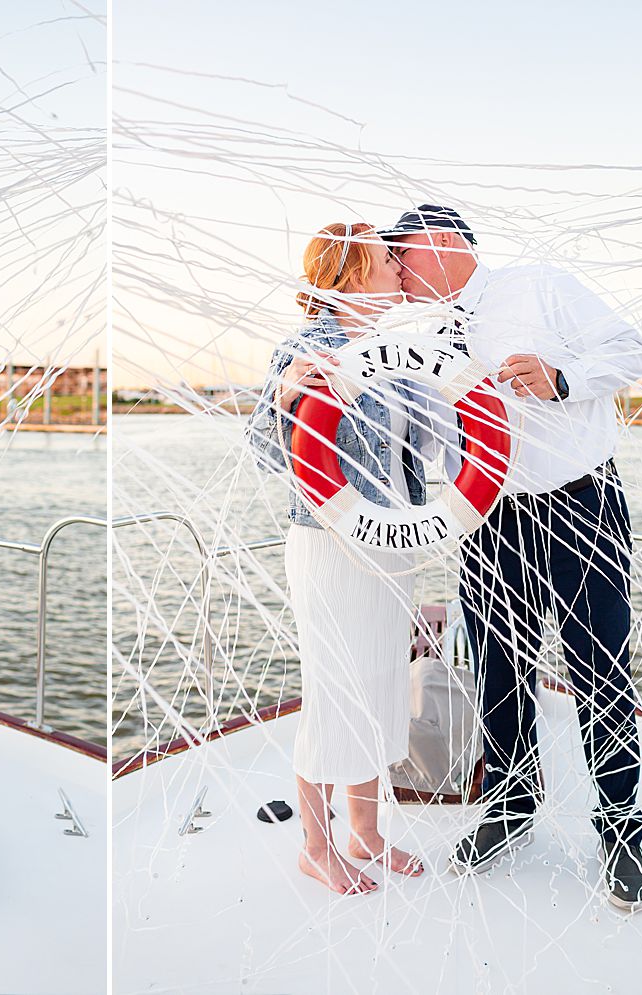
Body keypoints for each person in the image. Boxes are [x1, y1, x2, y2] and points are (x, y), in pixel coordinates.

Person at [383, 205, 642, 911]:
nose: (399, 272)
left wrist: (560, 376)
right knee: (499, 667)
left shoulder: (540, 286)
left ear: (443, 243)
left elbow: (631, 350)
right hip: (487, 516)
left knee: (601, 668)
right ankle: (509, 806)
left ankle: (622, 832)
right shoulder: (432, 336)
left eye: (403, 254)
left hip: (579, 504)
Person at [247, 222, 437, 895]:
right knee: (334, 690)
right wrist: (287, 397)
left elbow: (432, 451)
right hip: (329, 544)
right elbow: (265, 454)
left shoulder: (405, 349)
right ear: (354, 271)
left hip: (394, 545)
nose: (399, 266)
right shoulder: (304, 348)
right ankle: (316, 845)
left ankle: (367, 831)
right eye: (387, 258)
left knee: (383, 683)